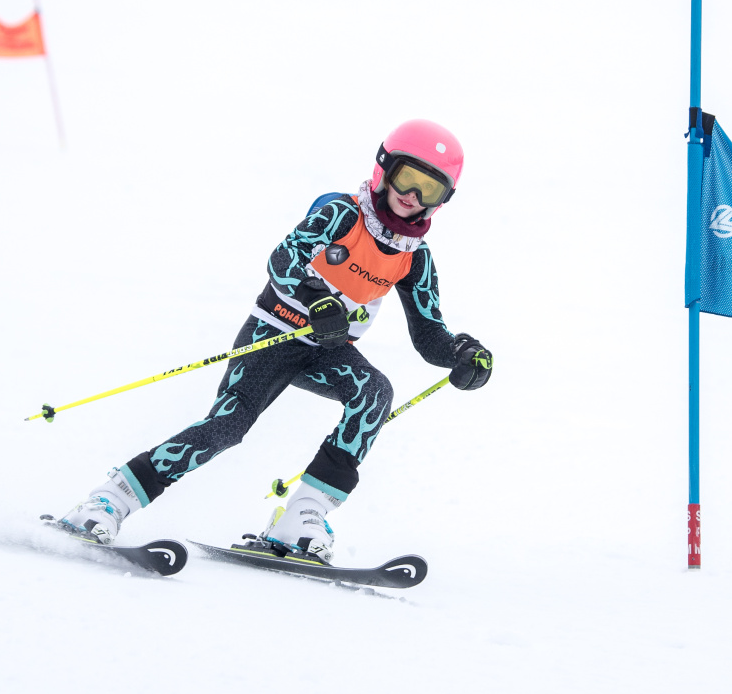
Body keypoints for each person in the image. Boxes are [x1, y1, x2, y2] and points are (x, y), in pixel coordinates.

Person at [56, 121, 493, 562]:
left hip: (328, 350)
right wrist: (315, 299)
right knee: (228, 426)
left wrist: (461, 354)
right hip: (273, 333)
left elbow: (429, 333)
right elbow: (284, 259)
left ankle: (301, 517)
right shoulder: (343, 214)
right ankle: (108, 501)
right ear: (385, 169)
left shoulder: (415, 258)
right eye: (407, 178)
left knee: (374, 393)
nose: (413, 196)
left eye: (429, 189)